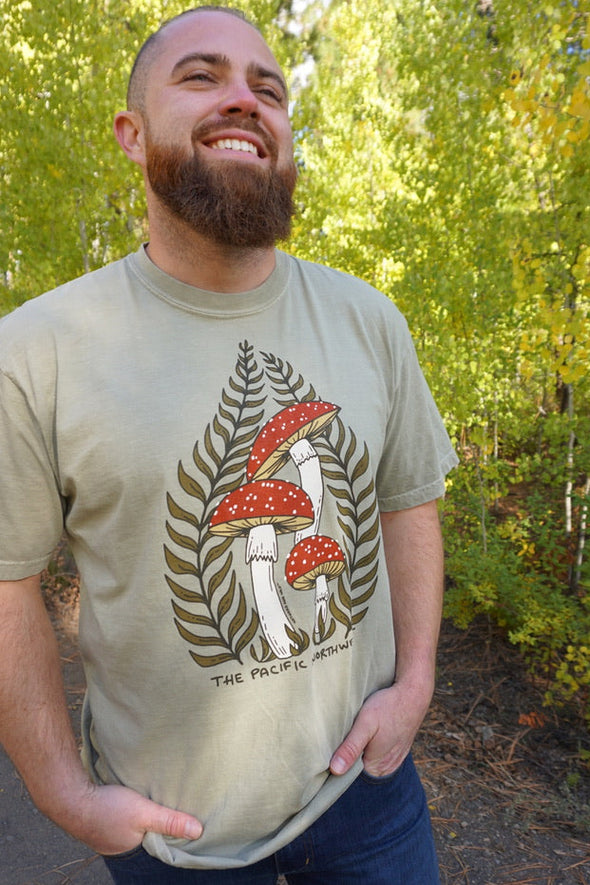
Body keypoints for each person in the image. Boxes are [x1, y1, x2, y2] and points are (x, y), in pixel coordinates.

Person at [0, 6, 458, 884]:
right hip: (170, 824)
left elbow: (409, 503)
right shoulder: (37, 351)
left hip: (366, 787)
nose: (245, 99)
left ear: (286, 141)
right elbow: (8, 584)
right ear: (132, 134)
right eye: (201, 77)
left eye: (268, 89)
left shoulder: (369, 319)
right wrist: (63, 793)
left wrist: (416, 683)